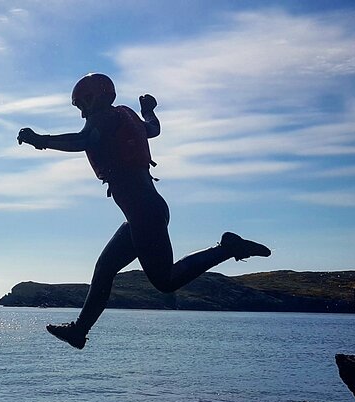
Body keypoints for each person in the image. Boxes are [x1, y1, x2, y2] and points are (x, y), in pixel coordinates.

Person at [17, 73, 271, 349]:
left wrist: (40, 139)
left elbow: (81, 142)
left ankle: (228, 248)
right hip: (144, 213)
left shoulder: (104, 118)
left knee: (166, 281)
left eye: (83, 105)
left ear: (100, 98)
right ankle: (79, 331)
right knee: (105, 269)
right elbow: (153, 128)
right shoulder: (126, 117)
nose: (82, 113)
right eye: (79, 107)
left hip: (144, 214)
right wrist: (148, 110)